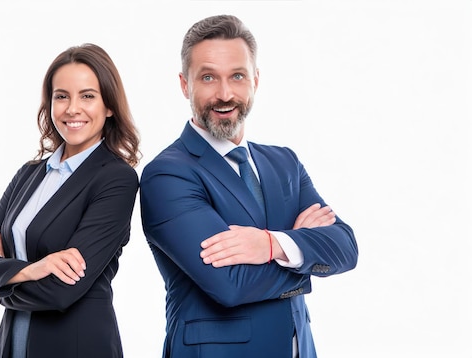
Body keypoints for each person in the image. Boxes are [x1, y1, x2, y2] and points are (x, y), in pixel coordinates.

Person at [139, 15, 358, 358]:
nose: (225, 94)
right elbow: (230, 284)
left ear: (255, 80)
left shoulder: (284, 162)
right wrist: (301, 249)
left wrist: (271, 244)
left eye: (237, 76)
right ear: (185, 85)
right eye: (208, 77)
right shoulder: (167, 175)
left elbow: (345, 247)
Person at [0, 43, 140, 358]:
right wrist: (30, 270)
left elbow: (61, 291)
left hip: (77, 346)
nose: (72, 108)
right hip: (12, 343)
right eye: (61, 96)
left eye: (87, 96)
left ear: (109, 106)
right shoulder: (30, 175)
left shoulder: (116, 179)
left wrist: (0, 272)